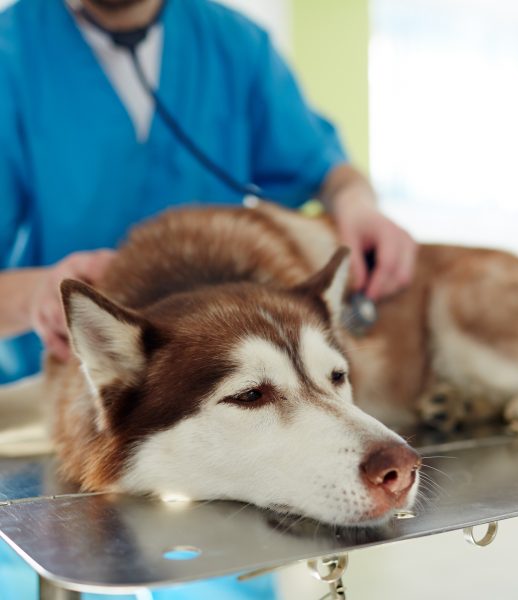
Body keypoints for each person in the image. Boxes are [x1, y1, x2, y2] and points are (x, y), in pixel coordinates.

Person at [0, 0, 417, 598]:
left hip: (221, 459)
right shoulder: (12, 54)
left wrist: (357, 204)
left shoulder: (232, 44)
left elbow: (325, 167)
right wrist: (35, 294)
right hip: (56, 415)